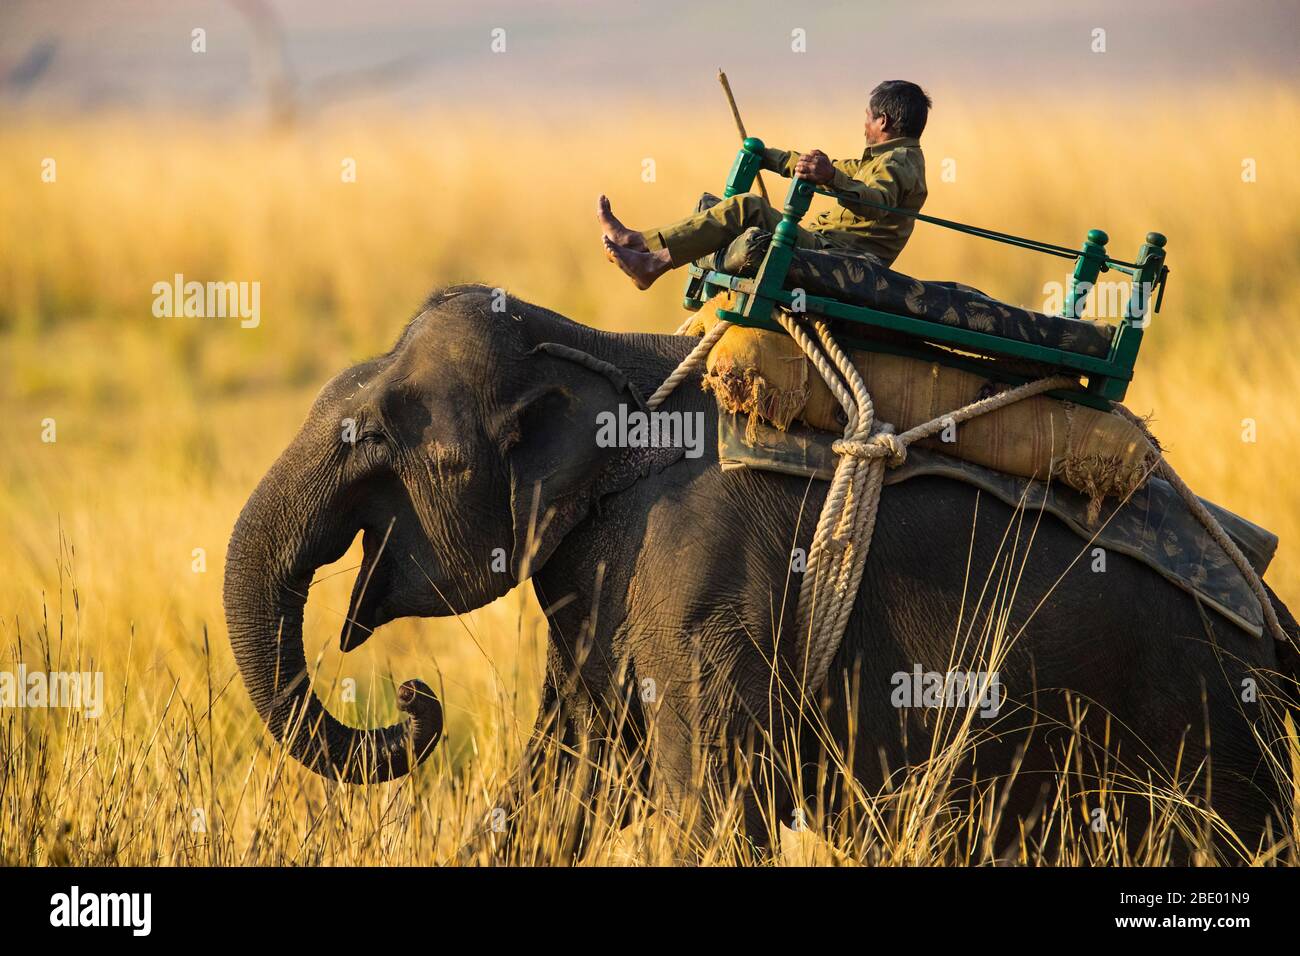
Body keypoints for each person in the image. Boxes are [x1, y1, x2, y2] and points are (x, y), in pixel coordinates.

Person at [598, 80, 931, 289]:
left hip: (842, 256)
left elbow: (875, 202)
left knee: (748, 206)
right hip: (827, 243)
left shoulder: (899, 163)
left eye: (868, 117)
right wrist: (765, 155)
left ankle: (646, 253)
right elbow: (826, 168)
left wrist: (830, 177)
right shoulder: (883, 158)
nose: (864, 125)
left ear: (883, 121)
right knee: (720, 205)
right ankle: (646, 253)